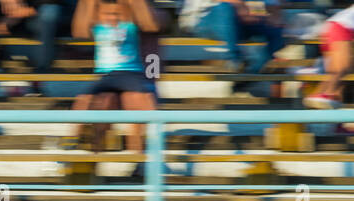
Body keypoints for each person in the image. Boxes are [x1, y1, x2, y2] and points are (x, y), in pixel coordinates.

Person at [69, 0, 160, 178]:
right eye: (107, 14)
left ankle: (140, 159)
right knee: (87, 100)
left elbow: (151, 25)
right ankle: (73, 144)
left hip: (132, 73)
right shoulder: (99, 24)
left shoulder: (130, 21)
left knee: (141, 107)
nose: (112, 17)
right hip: (107, 75)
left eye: (115, 14)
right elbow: (79, 32)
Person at [178, 0, 286, 75]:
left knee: (277, 31)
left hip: (237, 22)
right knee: (224, 8)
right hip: (202, 20)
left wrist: (274, 13)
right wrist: (239, 5)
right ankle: (235, 62)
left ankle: (253, 71)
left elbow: (272, 5)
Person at [304, 3, 354, 108]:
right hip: (341, 27)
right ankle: (326, 94)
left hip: (334, 27)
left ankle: (326, 96)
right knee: (342, 67)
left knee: (346, 69)